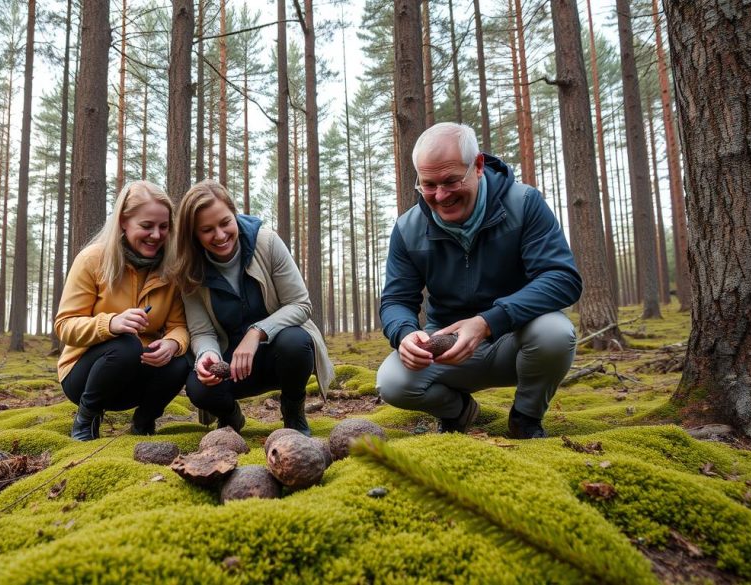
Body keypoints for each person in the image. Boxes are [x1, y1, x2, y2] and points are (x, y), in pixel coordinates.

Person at [377, 122, 583, 439]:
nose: (441, 195)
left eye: (450, 181)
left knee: (554, 332)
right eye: (428, 185)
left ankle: (526, 418)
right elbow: (396, 300)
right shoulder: (408, 229)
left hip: (517, 340)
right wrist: (404, 334)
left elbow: (562, 278)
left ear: (478, 166)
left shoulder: (524, 204)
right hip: (446, 349)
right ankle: (458, 412)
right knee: (392, 381)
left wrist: (487, 322)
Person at [172, 180, 334, 436]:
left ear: (235, 214)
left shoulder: (267, 243)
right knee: (198, 388)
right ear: (193, 234)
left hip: (278, 357)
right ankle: (230, 417)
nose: (220, 235)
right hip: (231, 367)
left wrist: (256, 332)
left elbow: (300, 304)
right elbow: (202, 332)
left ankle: (293, 414)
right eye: (207, 229)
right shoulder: (190, 270)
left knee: (296, 341)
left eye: (225, 222)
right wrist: (206, 356)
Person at [54, 181, 190, 441]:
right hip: (83, 376)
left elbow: (179, 326)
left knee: (181, 360)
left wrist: (173, 343)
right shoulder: (92, 260)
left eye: (164, 227)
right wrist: (111, 323)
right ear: (123, 222)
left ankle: (144, 422)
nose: (157, 235)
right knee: (126, 345)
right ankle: (86, 420)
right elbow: (65, 326)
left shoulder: (169, 270)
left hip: (137, 378)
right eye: (147, 226)